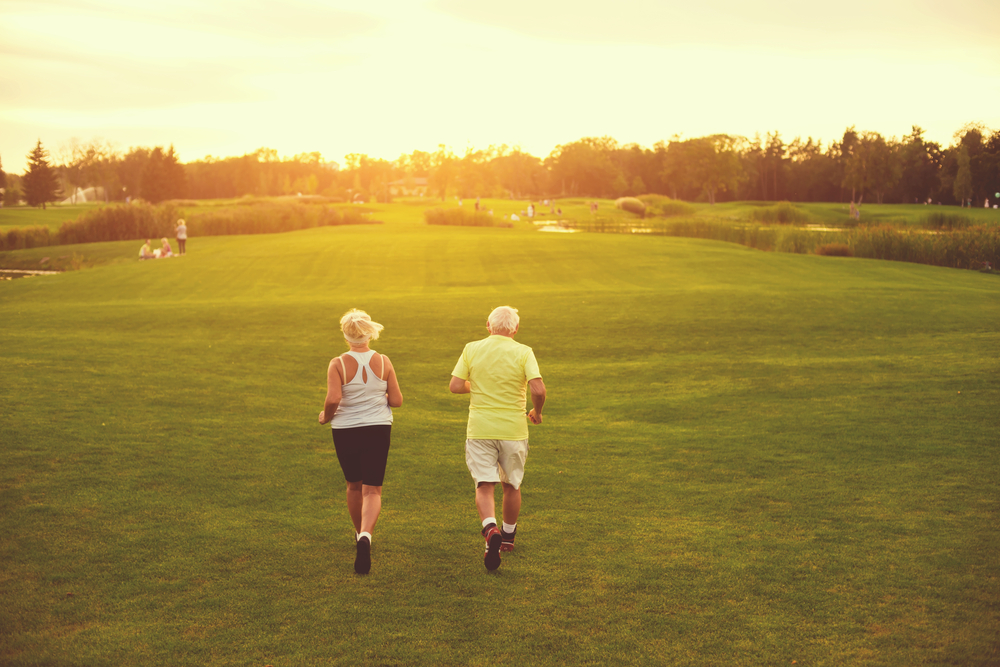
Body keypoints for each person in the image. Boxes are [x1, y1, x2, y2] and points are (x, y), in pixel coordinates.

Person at [450, 306, 546, 571]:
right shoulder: (524, 352)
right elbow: (538, 389)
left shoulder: (472, 348)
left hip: (480, 429)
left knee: (484, 484)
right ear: (516, 329)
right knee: (511, 485)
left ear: (488, 325)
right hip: (513, 430)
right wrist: (537, 412)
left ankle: (490, 528)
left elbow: (455, 385)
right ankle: (508, 536)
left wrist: (476, 386)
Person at [319, 309, 403, 574]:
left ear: (345, 335)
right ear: (370, 334)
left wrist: (325, 417)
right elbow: (397, 401)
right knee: (373, 489)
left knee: (354, 486)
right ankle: (367, 535)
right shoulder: (384, 361)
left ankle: (359, 535)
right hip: (378, 428)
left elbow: (333, 398)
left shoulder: (338, 363)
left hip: (346, 429)